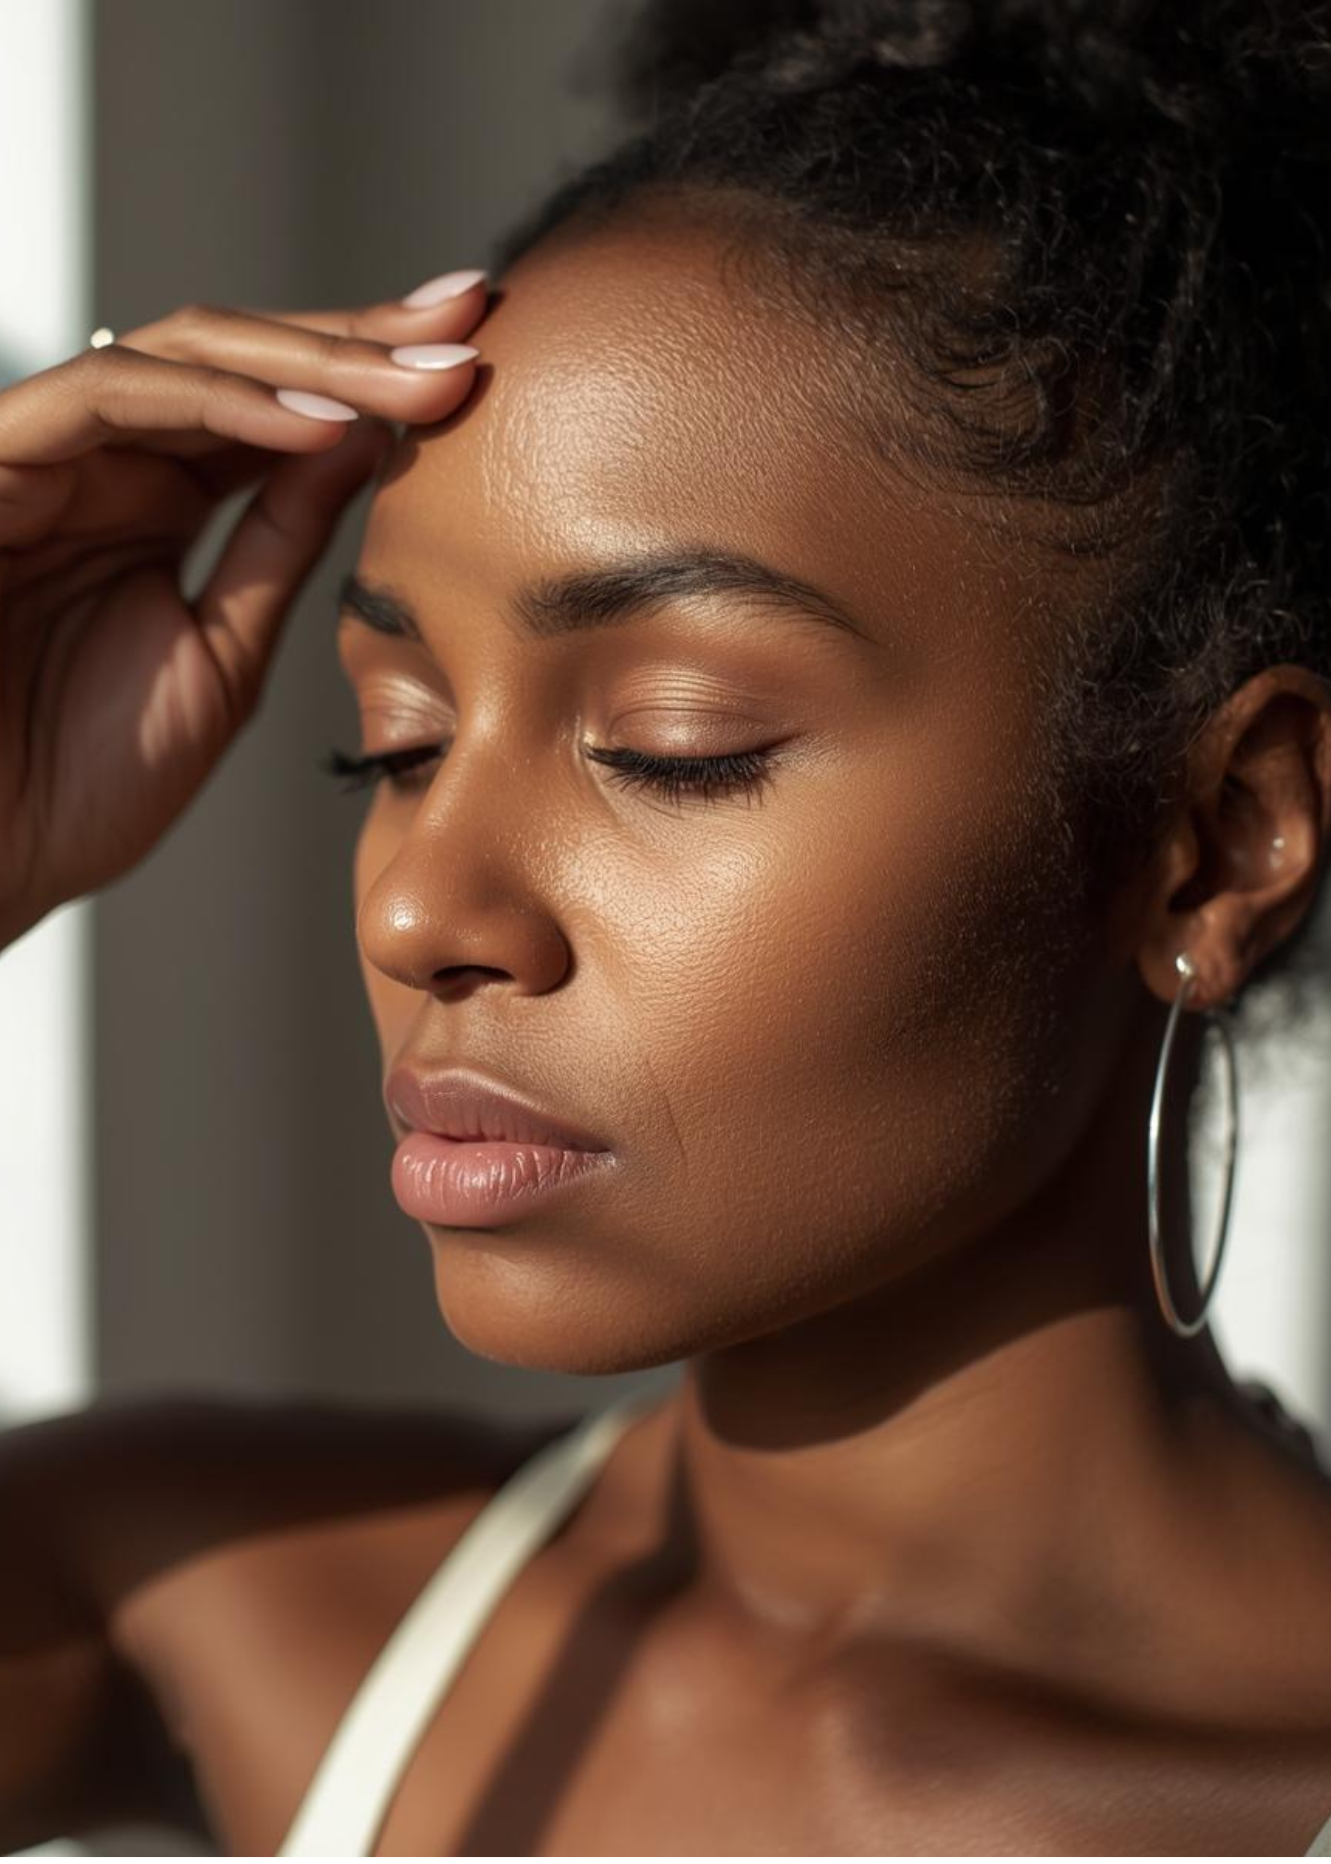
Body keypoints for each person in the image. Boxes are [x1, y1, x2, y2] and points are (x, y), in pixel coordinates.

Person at [3, 0, 1331, 1852]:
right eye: (390, 741)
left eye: (670, 746)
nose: (417, 908)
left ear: (1216, 840)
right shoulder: (192, 1611)